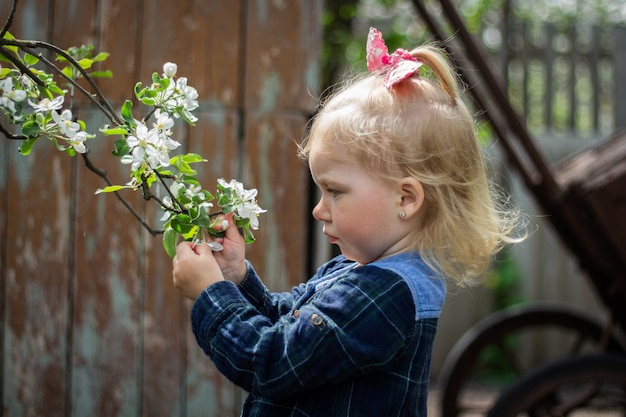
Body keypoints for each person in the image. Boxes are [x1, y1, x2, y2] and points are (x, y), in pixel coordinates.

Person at [172, 27, 522, 417]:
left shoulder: (386, 297)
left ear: (405, 198)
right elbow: (290, 329)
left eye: (335, 191)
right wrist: (236, 278)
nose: (319, 209)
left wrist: (211, 296)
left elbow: (270, 362)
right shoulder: (360, 270)